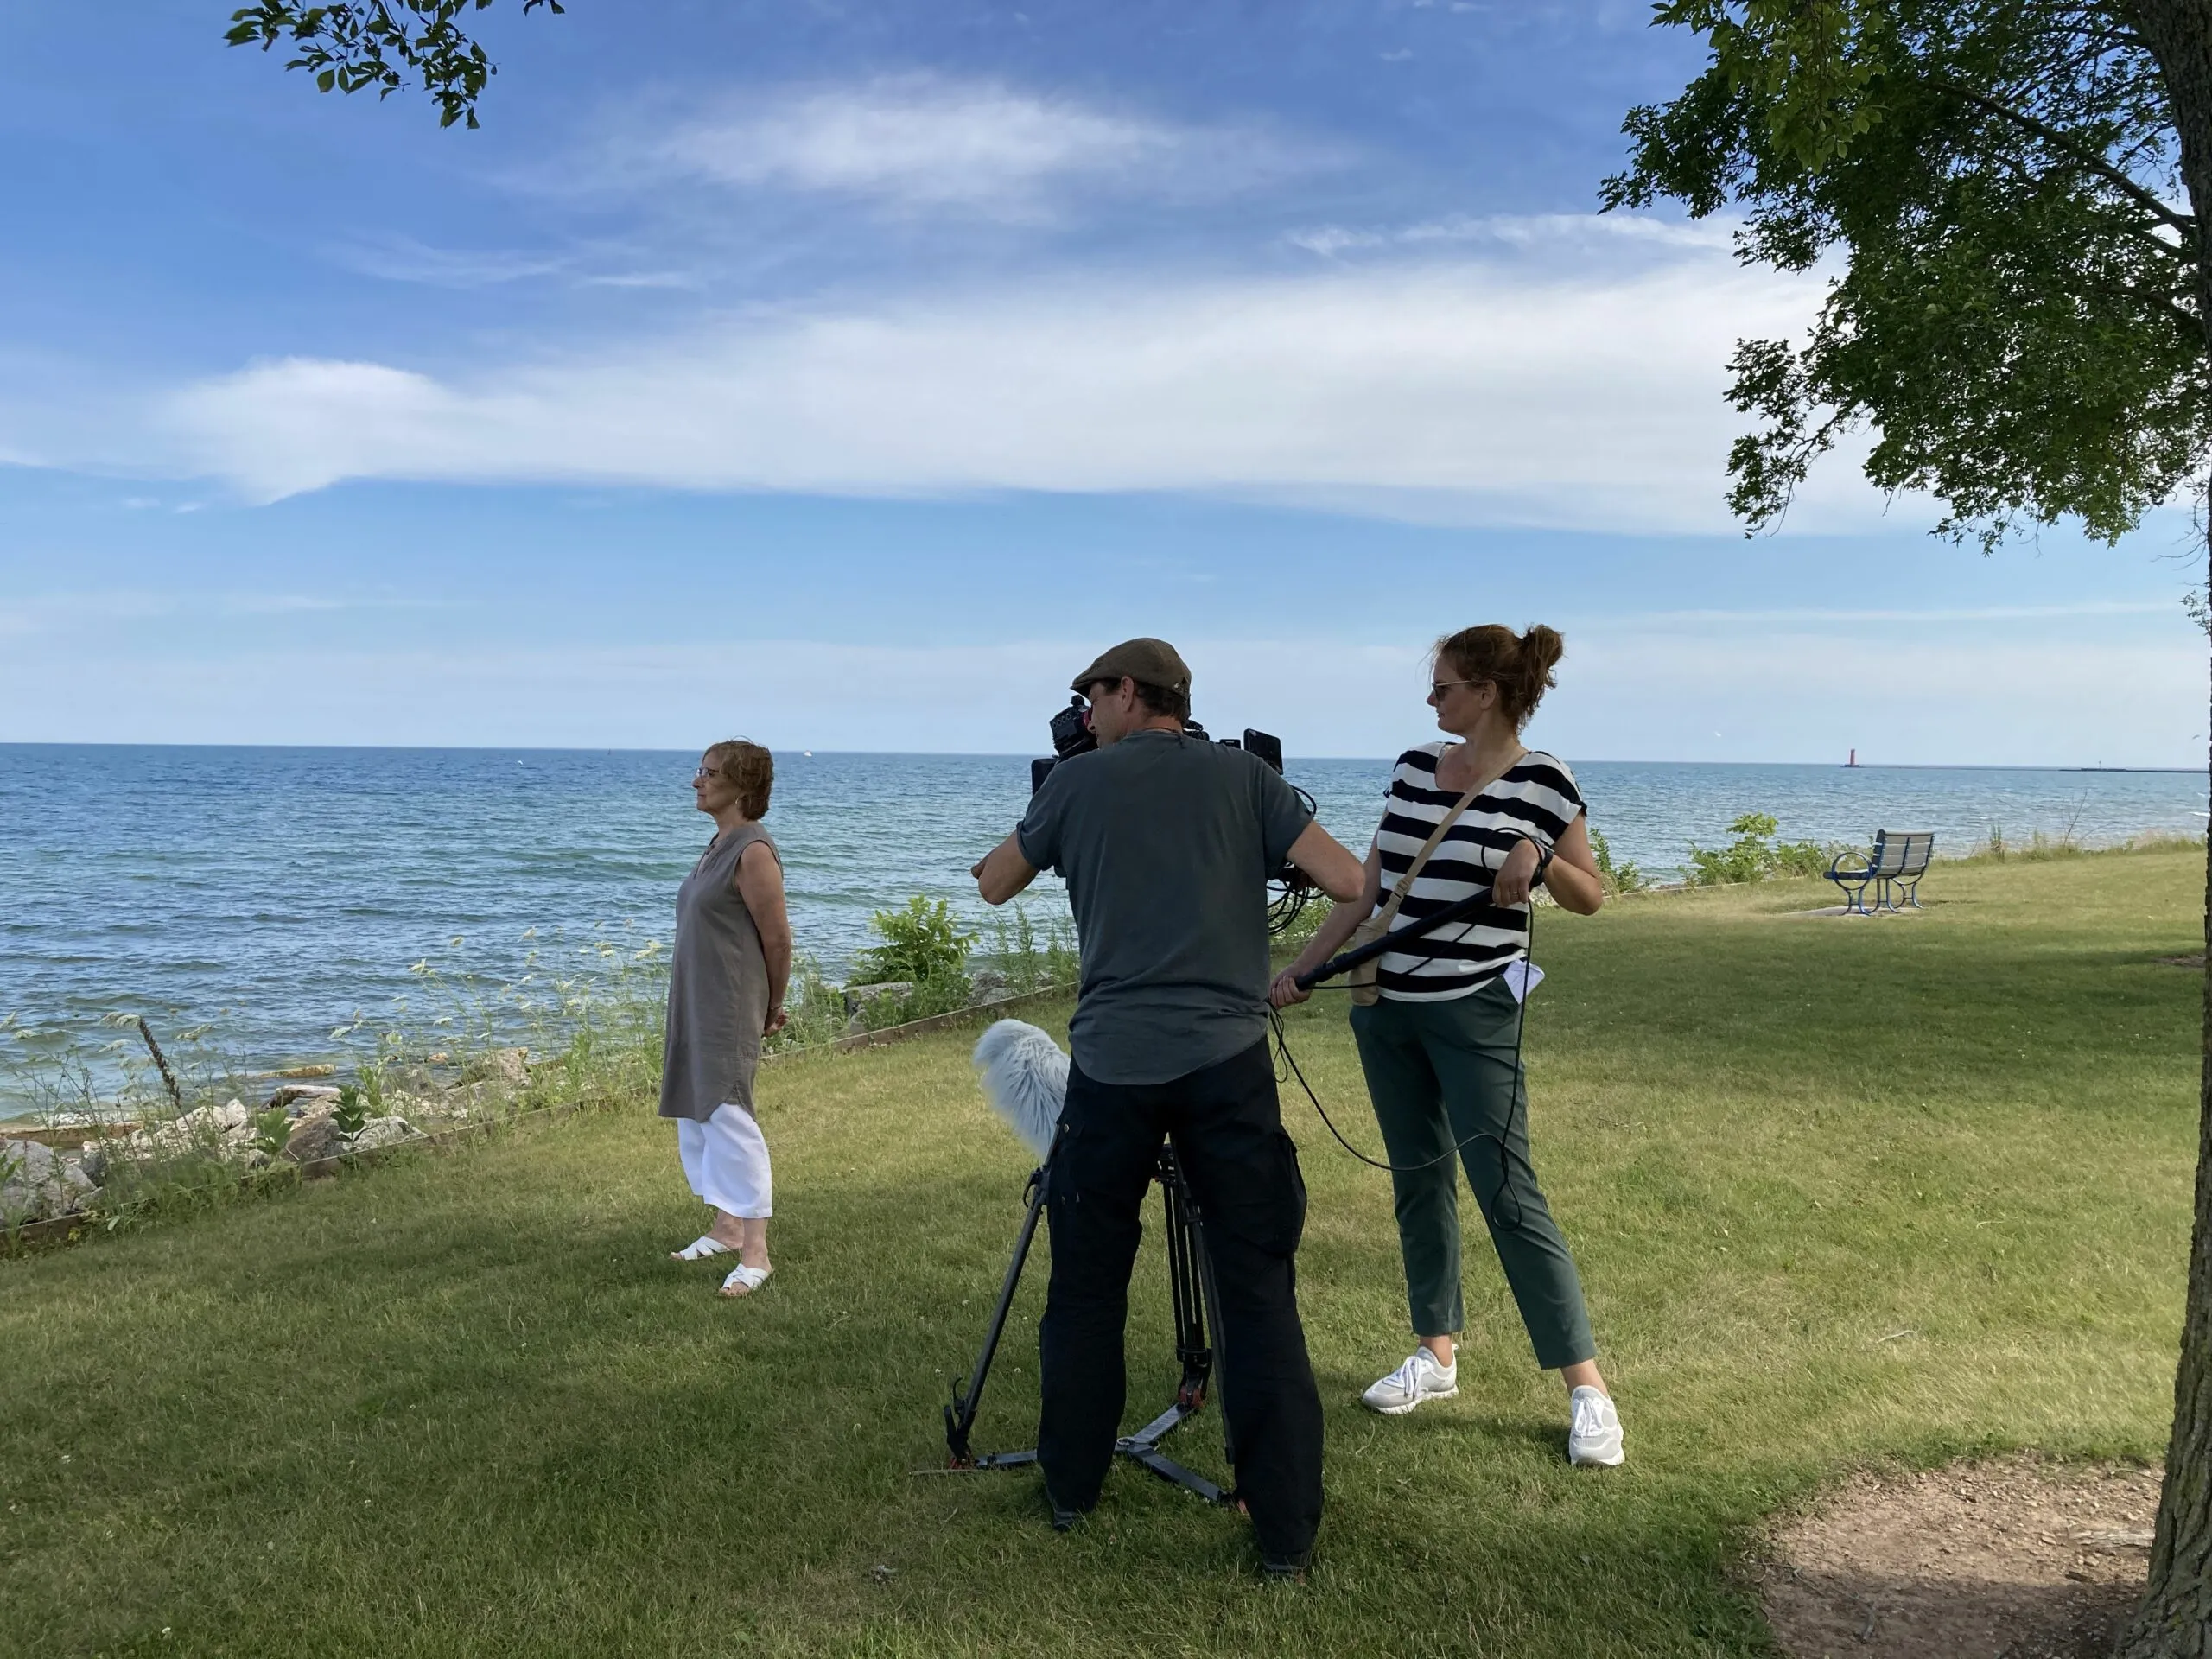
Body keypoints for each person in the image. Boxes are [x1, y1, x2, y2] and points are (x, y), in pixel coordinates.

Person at [972, 638, 1366, 1579]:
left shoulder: (1077, 783)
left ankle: (1071, 1488)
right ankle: (1284, 1534)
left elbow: (992, 882)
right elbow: (1353, 881)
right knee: (1257, 1292)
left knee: (1086, 1283)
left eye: (1091, 699)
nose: (1084, 717)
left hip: (1112, 1069)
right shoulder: (1246, 778)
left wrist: (1064, 811)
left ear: (1128, 693)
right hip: (1228, 1066)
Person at [1272, 625, 1626, 1467]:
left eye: (1443, 688)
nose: (1431, 701)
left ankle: (1587, 1388)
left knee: (1507, 1189)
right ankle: (1436, 1353)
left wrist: (1538, 856)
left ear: (1487, 693)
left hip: (1476, 1012)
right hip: (1384, 1008)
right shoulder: (1412, 768)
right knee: (1417, 1180)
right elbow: (1367, 889)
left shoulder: (1545, 782)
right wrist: (1302, 969)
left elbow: (1590, 895)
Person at [663, 738, 791, 1299]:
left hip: (729, 1005)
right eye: (701, 770)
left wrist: (772, 1005)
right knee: (697, 1114)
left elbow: (777, 940)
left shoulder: (753, 851)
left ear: (741, 785)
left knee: (729, 1117)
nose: (698, 780)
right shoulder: (720, 842)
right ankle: (726, 1226)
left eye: (710, 772)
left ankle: (756, 1252)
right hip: (697, 1000)